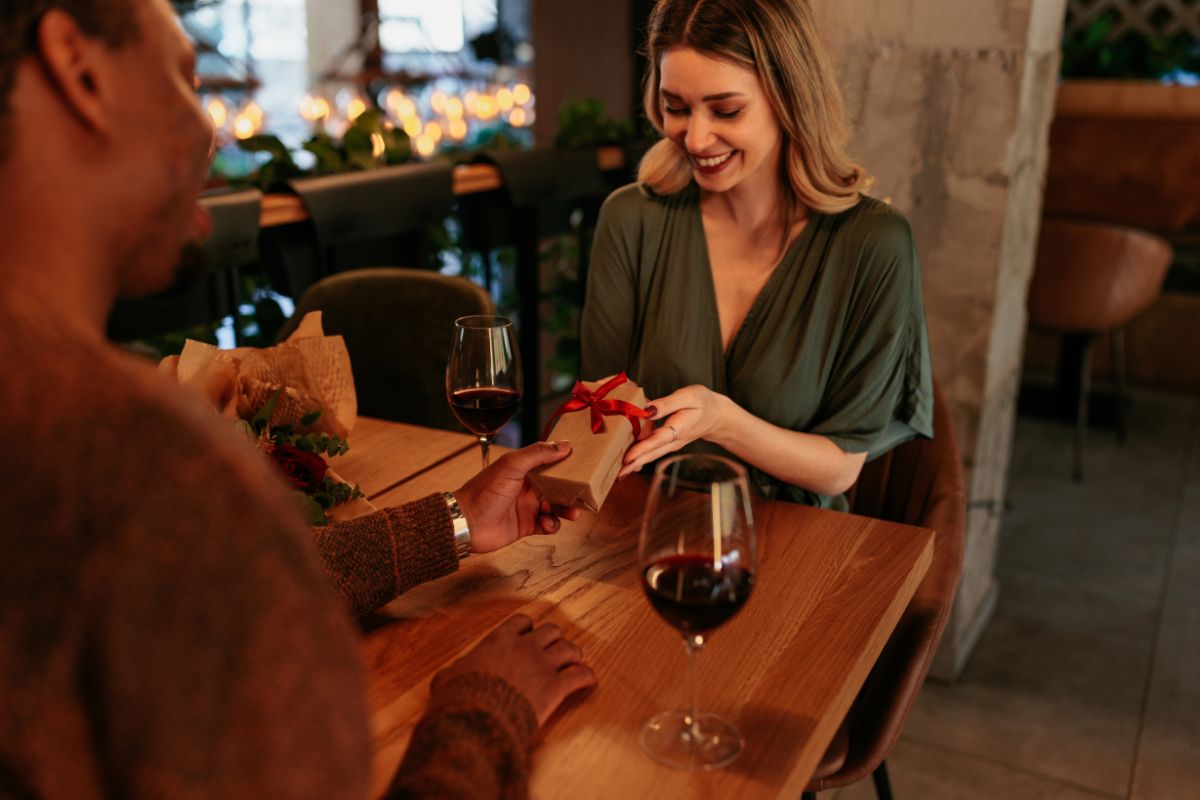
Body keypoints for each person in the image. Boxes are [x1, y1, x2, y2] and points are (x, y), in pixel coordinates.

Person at [0, 1, 593, 797]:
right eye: (185, 76)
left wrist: (451, 521)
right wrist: (485, 712)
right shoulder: (148, 471)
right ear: (80, 68)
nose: (212, 132)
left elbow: (191, 612)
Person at [582, 0, 934, 510]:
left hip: (798, 540)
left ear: (789, 99)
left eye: (727, 110)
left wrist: (721, 421)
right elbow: (603, 409)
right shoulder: (632, 219)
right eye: (675, 106)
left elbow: (838, 468)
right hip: (646, 524)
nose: (695, 138)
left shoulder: (874, 244)